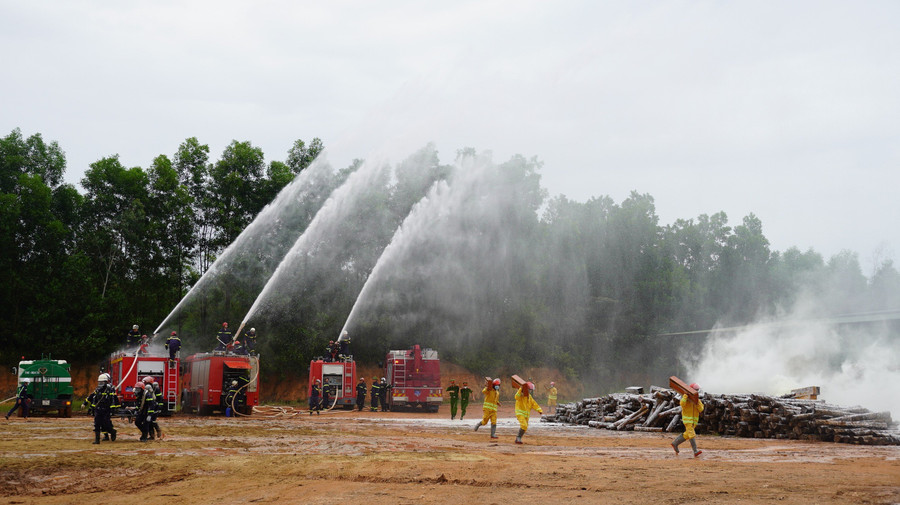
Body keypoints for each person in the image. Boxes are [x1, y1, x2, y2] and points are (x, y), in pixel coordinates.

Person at [671, 383, 704, 457]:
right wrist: (685, 396)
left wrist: (697, 402)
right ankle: (695, 451)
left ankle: (675, 443)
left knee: (687, 434)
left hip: (694, 421)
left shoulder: (697, 400)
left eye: (697, 390)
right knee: (692, 434)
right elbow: (682, 404)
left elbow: (701, 409)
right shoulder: (685, 398)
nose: (697, 392)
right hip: (687, 420)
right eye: (696, 390)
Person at [87, 373, 119, 444]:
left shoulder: (110, 389)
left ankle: (112, 432)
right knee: (97, 424)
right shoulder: (97, 389)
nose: (101, 384)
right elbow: (93, 397)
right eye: (100, 382)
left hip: (106, 409)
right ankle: (97, 440)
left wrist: (113, 409)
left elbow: (113, 399)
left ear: (106, 382)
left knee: (106, 423)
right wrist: (86, 404)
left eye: (102, 382)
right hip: (98, 409)